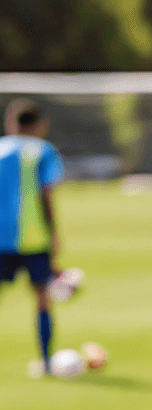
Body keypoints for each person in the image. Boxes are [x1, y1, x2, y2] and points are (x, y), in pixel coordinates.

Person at [0, 99, 64, 374]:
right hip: (34, 237)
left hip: (1, 238)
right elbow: (46, 194)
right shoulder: (44, 151)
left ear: (11, 123)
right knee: (42, 297)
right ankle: (47, 362)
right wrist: (54, 234)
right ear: (39, 125)